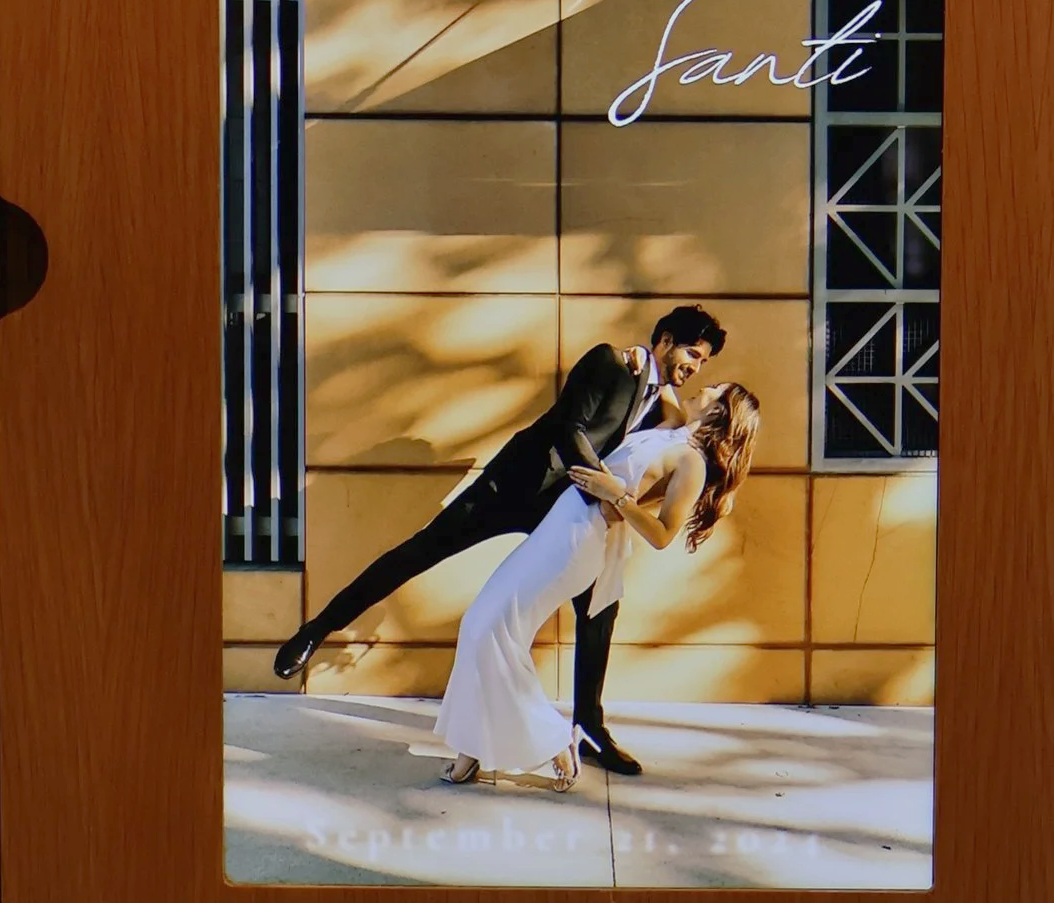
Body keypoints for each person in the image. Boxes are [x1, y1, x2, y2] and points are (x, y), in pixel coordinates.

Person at [274, 307, 726, 776]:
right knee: (420, 551)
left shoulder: (661, 400)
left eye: (703, 363)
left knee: (599, 608)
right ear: (666, 338)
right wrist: (607, 484)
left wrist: (612, 484)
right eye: (692, 353)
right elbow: (569, 429)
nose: (695, 366)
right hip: (515, 486)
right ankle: (317, 629)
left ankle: (589, 726)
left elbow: (671, 413)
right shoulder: (610, 361)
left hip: (568, 511)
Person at [431, 382, 763, 787]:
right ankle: (475, 748)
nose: (704, 385)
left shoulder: (693, 465)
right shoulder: (674, 427)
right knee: (482, 626)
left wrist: (619, 495)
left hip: (579, 540)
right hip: (560, 522)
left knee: (491, 631)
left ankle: (552, 742)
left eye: (715, 390)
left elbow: (661, 536)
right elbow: (661, 373)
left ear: (721, 413)